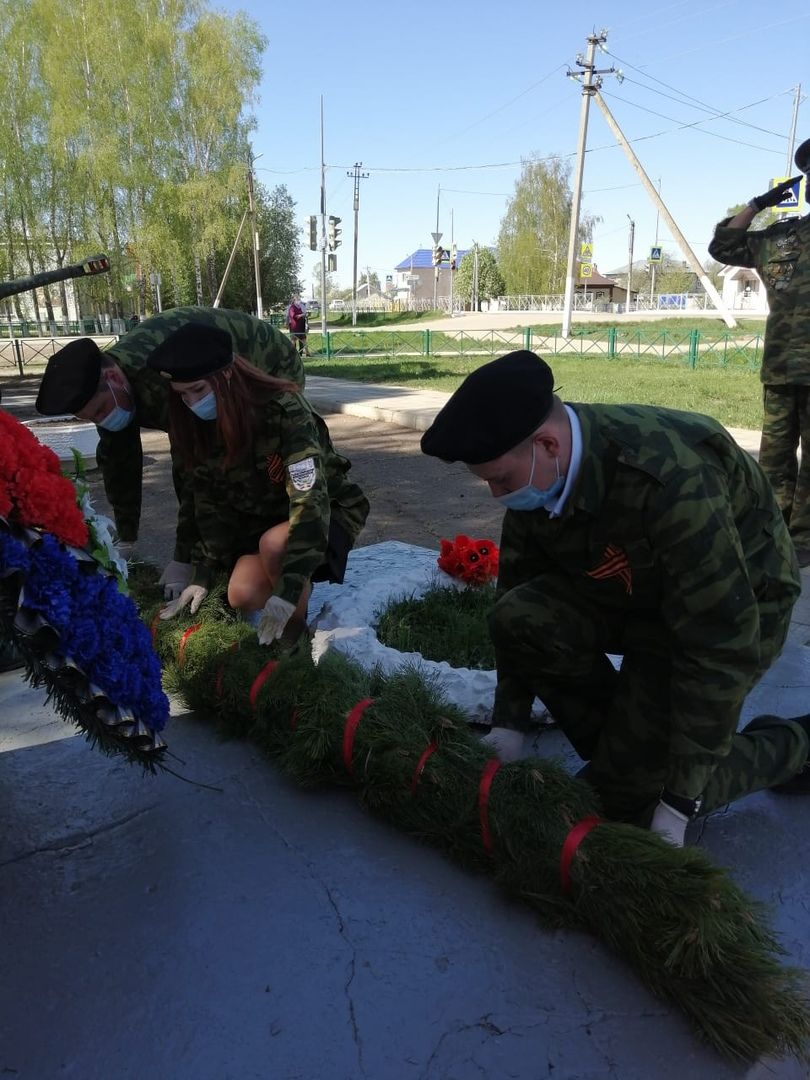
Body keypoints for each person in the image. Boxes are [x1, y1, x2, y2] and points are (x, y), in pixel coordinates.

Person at [420, 349, 810, 846]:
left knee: (640, 805)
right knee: (522, 618)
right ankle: (632, 757)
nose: (499, 496)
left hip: (738, 605)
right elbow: (516, 596)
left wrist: (680, 798)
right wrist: (509, 723)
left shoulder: (669, 480)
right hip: (639, 595)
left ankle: (790, 744)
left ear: (548, 443)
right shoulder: (539, 473)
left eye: (501, 480)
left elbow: (718, 645)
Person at [34, 306, 305, 600]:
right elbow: (118, 462)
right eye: (92, 418)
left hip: (267, 359)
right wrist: (126, 539)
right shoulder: (112, 390)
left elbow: (193, 469)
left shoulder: (162, 379)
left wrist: (183, 558)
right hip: (211, 367)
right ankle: (243, 555)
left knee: (250, 465)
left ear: (112, 377)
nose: (102, 419)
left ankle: (288, 556)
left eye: (100, 410)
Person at [145, 322, 369, 642]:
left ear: (226, 376)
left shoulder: (283, 410)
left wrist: (288, 594)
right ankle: (290, 577)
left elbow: (309, 499)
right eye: (183, 395)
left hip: (324, 512)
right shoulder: (194, 423)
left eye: (198, 391)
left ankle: (295, 639)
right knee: (243, 594)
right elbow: (206, 499)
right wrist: (201, 573)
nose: (192, 403)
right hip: (262, 520)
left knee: (276, 547)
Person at [708, 137, 810, 568]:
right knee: (773, 458)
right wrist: (757, 204)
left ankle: (804, 540)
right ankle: (771, 529)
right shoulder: (782, 237)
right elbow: (723, 248)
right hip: (782, 366)